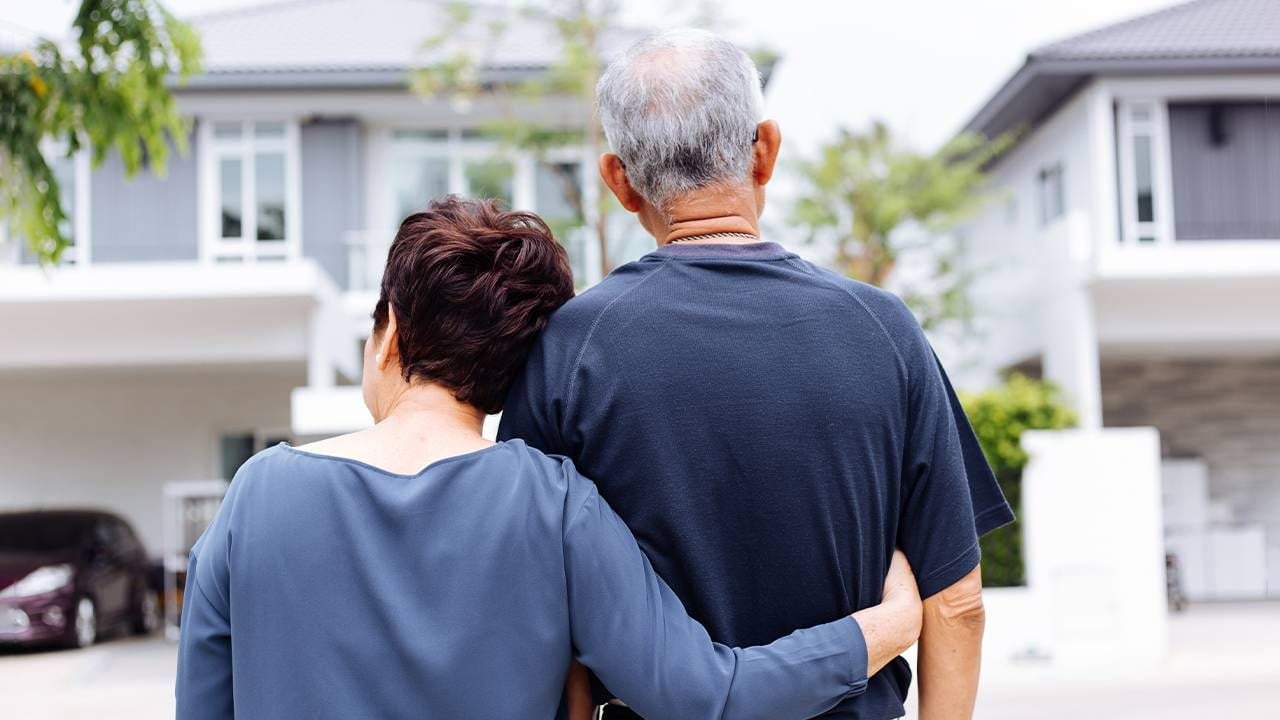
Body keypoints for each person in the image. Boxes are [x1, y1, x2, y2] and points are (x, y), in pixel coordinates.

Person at [174, 197, 925, 720]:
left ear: (390, 334)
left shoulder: (256, 498)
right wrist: (885, 627)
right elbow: (706, 697)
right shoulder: (554, 504)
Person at [499, 29, 1015, 720]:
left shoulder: (567, 350)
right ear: (764, 149)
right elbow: (956, 601)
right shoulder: (884, 331)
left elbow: (537, 613)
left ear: (619, 181)